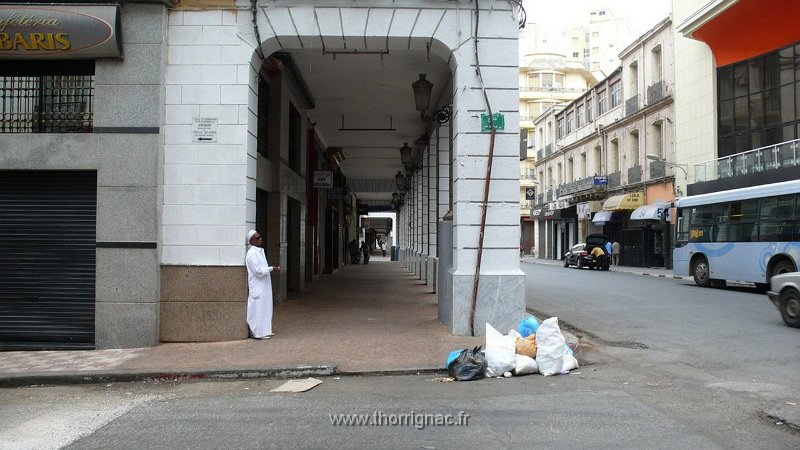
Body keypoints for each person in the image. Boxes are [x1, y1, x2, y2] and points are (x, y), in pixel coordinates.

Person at [246, 230, 279, 340]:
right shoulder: (251, 253)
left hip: (264, 285)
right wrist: (271, 268)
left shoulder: (260, 251)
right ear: (251, 241)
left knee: (266, 306)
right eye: (257, 238)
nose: (260, 239)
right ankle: (258, 333)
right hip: (258, 285)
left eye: (260, 237)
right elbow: (258, 271)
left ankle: (266, 330)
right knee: (258, 308)